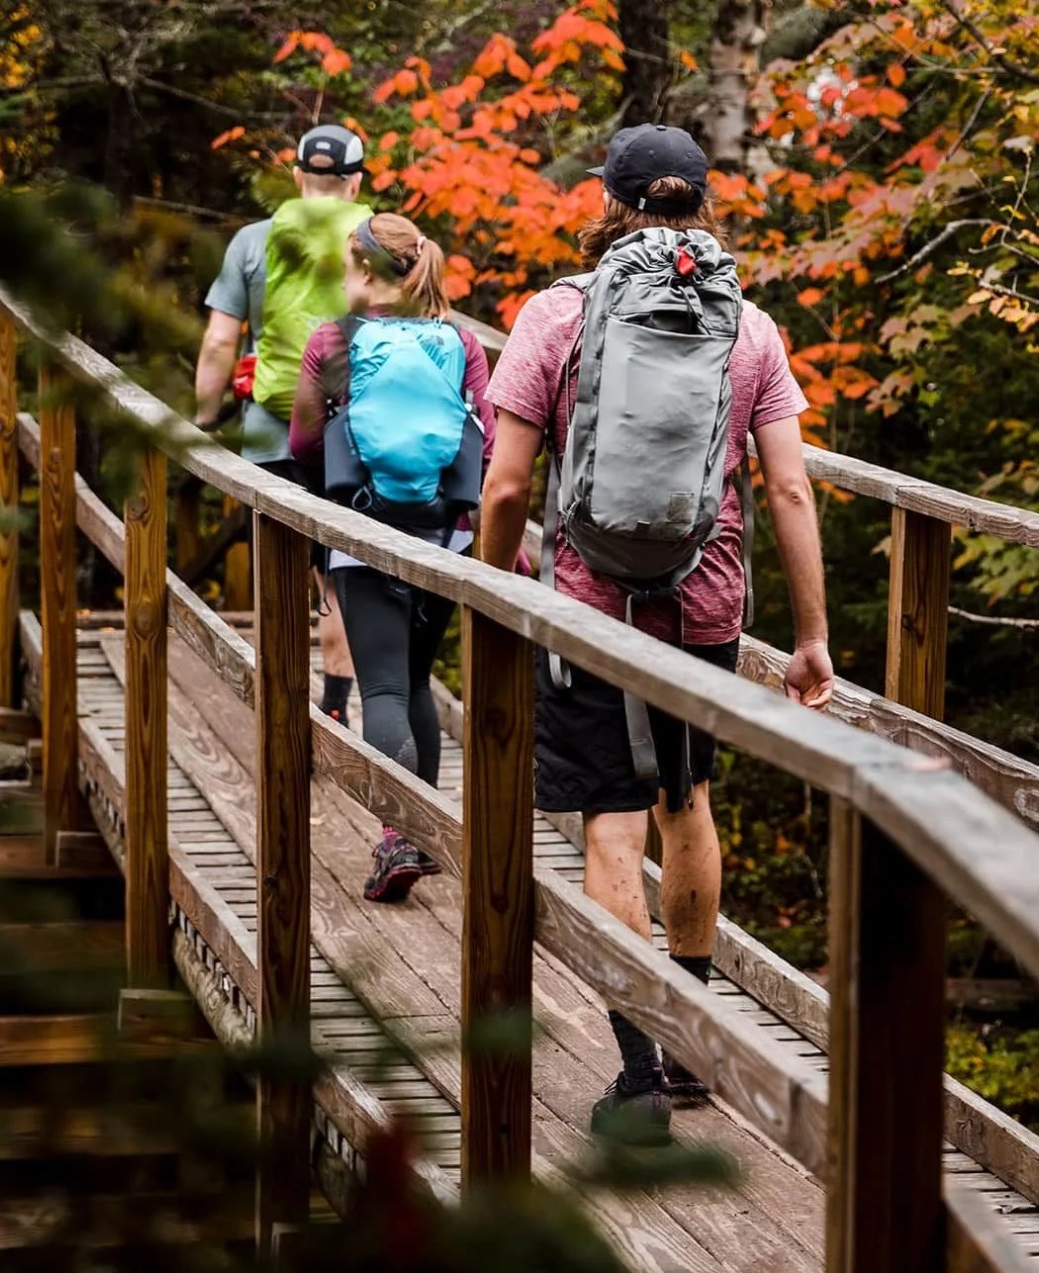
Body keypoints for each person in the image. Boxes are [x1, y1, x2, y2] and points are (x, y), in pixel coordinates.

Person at [479, 123, 834, 1145]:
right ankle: (688, 1044)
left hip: (589, 610)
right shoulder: (749, 327)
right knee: (687, 803)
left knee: (608, 823)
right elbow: (789, 487)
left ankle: (636, 1066)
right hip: (705, 605)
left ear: (610, 200)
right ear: (702, 203)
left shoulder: (557, 313)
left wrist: (486, 574)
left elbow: (507, 481)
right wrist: (809, 640)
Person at [291, 212, 496, 904]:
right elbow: (487, 443)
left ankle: (399, 838)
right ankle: (421, 837)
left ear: (370, 272)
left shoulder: (333, 340)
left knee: (379, 690)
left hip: (365, 533)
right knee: (412, 684)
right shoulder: (462, 343)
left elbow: (301, 444)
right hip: (445, 537)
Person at [194, 123, 370, 727]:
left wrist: (203, 418)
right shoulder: (376, 241)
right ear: (355, 184)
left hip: (271, 428)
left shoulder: (252, 241)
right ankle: (337, 705)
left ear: (297, 177)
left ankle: (278, 700)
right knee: (340, 570)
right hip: (352, 438)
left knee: (277, 568)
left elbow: (221, 341)